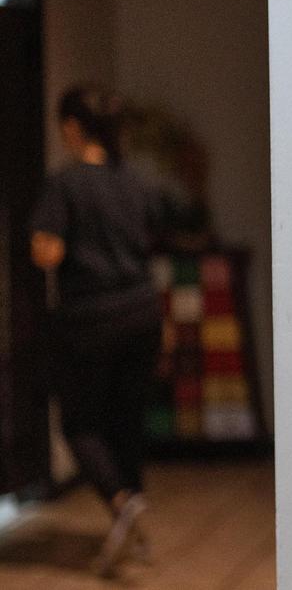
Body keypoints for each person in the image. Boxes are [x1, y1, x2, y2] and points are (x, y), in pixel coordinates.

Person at [29, 86, 163, 577]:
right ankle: (136, 527)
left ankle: (121, 503)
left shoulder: (65, 185)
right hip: (143, 312)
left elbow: (49, 253)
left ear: (71, 127)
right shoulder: (134, 182)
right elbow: (149, 242)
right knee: (126, 421)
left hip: (90, 320)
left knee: (79, 423)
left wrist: (41, 242)